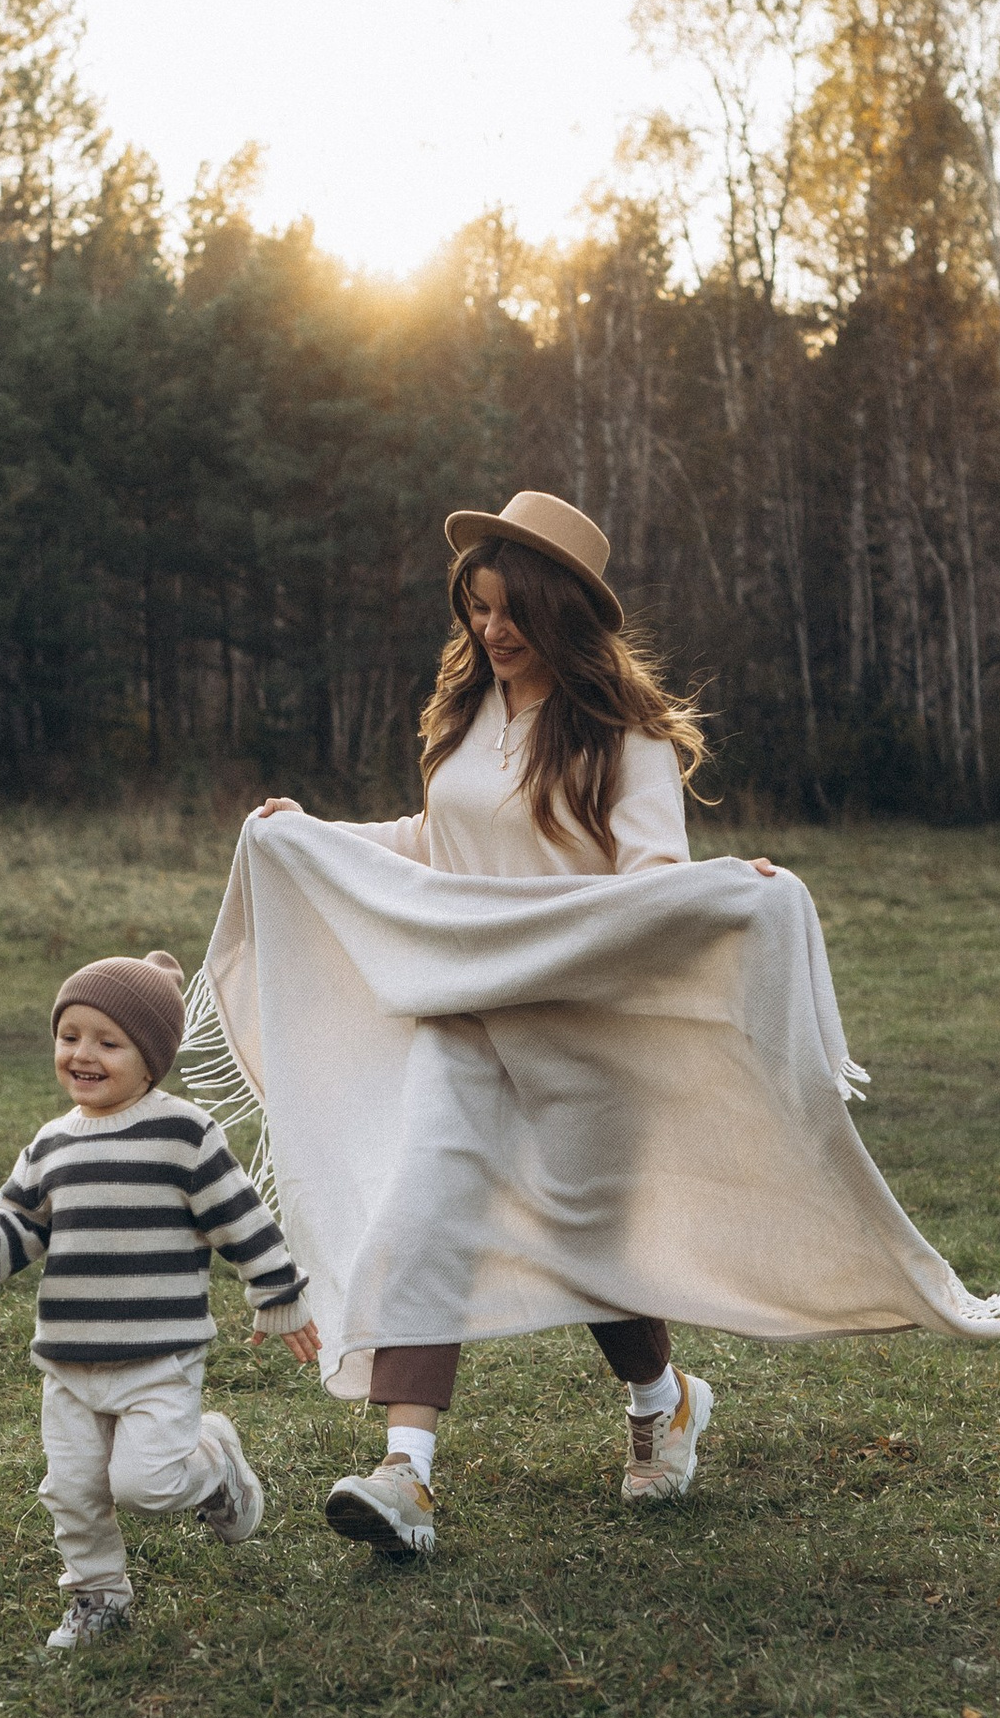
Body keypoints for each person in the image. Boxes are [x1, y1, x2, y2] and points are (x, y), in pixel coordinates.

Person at [253, 488, 779, 1565]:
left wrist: (724, 887)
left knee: (585, 1243)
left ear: (562, 616)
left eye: (510, 612)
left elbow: (653, 877)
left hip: (583, 1033)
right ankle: (405, 1475)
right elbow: (436, 839)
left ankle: (664, 1398)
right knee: (423, 1215)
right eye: (477, 608)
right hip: (461, 1016)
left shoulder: (619, 738)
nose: (489, 631)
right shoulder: (469, 715)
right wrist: (315, 837)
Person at [0, 948, 322, 1651]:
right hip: (71, 1364)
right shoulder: (52, 1143)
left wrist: (278, 1292)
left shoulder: (184, 1133)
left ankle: (215, 1463)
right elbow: (21, 1230)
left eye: (107, 1042)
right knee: (75, 1490)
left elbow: (240, 1217)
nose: (82, 1053)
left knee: (146, 1486)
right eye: (69, 1035)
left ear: (151, 1059)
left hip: (158, 1359)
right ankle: (97, 1598)